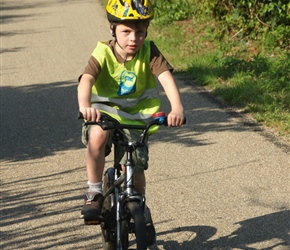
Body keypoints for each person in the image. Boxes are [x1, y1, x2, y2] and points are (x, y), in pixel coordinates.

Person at [78, 0, 184, 246]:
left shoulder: (150, 51)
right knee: (97, 137)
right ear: (113, 29)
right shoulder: (103, 52)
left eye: (140, 31)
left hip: (137, 119)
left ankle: (140, 204)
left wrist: (177, 107)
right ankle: (94, 191)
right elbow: (86, 79)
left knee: (133, 166)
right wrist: (85, 106)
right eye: (126, 31)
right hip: (103, 114)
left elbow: (166, 79)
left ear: (146, 31)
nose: (133, 38)